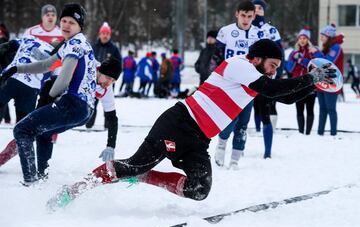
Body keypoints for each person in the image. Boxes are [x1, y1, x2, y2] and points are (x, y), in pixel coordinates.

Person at [89, 39, 336, 201]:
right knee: (134, 164)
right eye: (272, 65)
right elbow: (273, 89)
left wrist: (316, 86)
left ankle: (146, 176)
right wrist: (311, 78)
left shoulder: (254, 76)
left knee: (199, 190)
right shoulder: (238, 64)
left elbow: (286, 99)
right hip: (179, 123)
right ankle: (79, 187)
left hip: (199, 138)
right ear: (257, 58)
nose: (273, 71)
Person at [1, 3, 95, 185]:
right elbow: (46, 65)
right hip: (84, 110)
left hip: (73, 104)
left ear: (80, 27)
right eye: (64, 21)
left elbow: (65, 76)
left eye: (72, 23)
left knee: (22, 129)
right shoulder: (70, 43)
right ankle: (42, 180)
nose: (67, 25)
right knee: (43, 134)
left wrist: (50, 95)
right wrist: (17, 69)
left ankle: (30, 182)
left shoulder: (76, 44)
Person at [212, 1, 261, 168]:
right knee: (228, 119)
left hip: (248, 86)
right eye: (243, 15)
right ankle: (221, 146)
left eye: (249, 16)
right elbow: (217, 58)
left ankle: (235, 159)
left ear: (254, 16)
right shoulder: (225, 32)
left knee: (243, 123)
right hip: (229, 84)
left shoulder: (259, 34)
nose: (246, 19)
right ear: (237, 14)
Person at [251, 0, 283, 159]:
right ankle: (238, 148)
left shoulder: (271, 30)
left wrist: (279, 72)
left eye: (260, 8)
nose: (257, 10)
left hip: (267, 76)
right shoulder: (246, 29)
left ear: (264, 11)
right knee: (245, 112)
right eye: (254, 7)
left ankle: (268, 151)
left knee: (265, 110)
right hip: (249, 75)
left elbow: (279, 52)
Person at [0, 36, 55, 122]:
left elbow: (5, 47)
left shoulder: (29, 39)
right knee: (23, 123)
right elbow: (54, 84)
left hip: (11, 76)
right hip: (31, 87)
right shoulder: (59, 56)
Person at [286, 27, 323, 135]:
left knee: (310, 109)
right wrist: (294, 58)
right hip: (297, 84)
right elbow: (289, 68)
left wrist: (303, 60)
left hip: (310, 84)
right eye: (300, 38)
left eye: (304, 38)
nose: (302, 40)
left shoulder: (313, 51)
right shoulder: (293, 52)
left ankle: (308, 133)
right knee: (299, 108)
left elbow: (319, 65)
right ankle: (301, 132)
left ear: (308, 39)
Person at [86, 22, 122, 129]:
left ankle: (108, 125)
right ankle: (89, 123)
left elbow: (119, 65)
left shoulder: (114, 48)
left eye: (107, 33)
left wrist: (114, 78)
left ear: (110, 35)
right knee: (92, 103)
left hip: (108, 81)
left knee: (107, 104)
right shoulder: (94, 46)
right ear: (99, 34)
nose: (105, 35)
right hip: (95, 79)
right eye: (103, 33)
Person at [315, 24, 344, 136]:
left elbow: (327, 63)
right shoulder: (326, 47)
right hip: (322, 81)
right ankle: (320, 132)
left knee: (331, 109)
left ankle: (333, 133)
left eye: (323, 35)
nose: (321, 37)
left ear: (329, 36)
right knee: (322, 109)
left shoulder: (336, 47)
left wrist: (316, 52)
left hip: (332, 82)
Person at [0, 23, 12, 124]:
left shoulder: (3, 40)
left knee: (3, 95)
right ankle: (7, 118)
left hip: (3, 69)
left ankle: (7, 119)